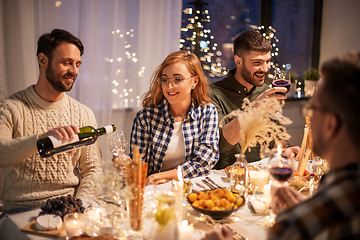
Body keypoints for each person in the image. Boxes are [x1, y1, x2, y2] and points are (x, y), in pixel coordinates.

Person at [201, 52, 360, 240]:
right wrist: (308, 208)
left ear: (331, 125)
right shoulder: (215, 93)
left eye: (312, 109)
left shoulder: (299, 224)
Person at [0, 29, 102, 211]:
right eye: (66, 63)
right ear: (42, 60)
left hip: (68, 208)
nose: (74, 71)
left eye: (77, 64)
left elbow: (93, 171)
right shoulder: (10, 108)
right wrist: (40, 140)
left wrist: (80, 206)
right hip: (19, 211)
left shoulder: (84, 114)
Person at [209, 29, 299, 169]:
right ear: (238, 61)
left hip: (254, 176)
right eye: (257, 63)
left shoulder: (265, 91)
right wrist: (255, 108)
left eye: (268, 61)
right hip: (220, 180)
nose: (265, 68)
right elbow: (220, 143)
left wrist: (286, 149)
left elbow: (274, 137)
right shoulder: (213, 94)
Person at [129, 50, 219, 185]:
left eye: (178, 79)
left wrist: (159, 177)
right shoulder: (145, 117)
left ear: (194, 81)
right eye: (164, 79)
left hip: (192, 189)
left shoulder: (207, 112)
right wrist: (127, 167)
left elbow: (204, 162)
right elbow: (139, 166)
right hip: (155, 190)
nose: (169, 86)